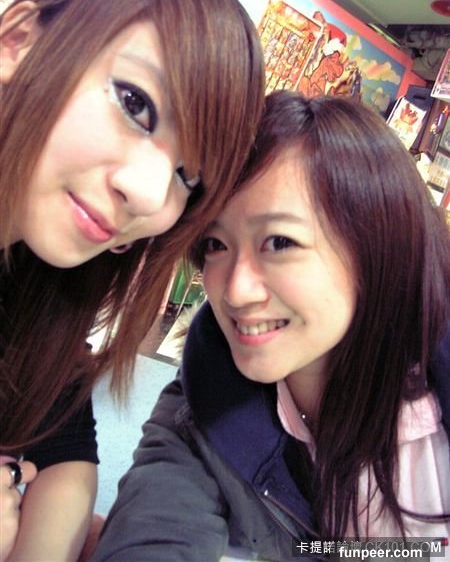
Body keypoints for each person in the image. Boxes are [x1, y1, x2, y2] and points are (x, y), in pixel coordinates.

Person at [92, 91, 450, 561]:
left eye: (280, 241)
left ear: (377, 249)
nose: (235, 291)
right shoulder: (209, 399)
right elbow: (156, 529)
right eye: (215, 244)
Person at [0, 0, 265, 559]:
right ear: (18, 42)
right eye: (135, 104)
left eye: (187, 177)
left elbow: (63, 442)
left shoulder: (38, 284)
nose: (148, 194)